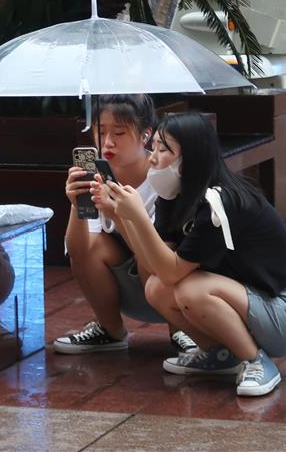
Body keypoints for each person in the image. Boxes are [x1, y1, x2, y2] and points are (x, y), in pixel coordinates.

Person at [93, 112, 286, 397]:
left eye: (164, 150)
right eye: (154, 147)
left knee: (190, 289)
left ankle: (257, 362)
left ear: (191, 160)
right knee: (157, 288)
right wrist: (122, 217)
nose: (152, 157)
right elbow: (156, 268)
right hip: (249, 301)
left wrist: (137, 216)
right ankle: (221, 356)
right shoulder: (172, 198)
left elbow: (173, 270)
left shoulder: (219, 201)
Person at [54, 95, 198, 355]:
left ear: (146, 135)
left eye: (119, 133)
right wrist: (77, 205)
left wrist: (120, 214)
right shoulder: (98, 177)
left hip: (173, 288)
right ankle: (110, 331)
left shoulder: (164, 177)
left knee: (153, 250)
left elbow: (157, 259)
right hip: (122, 290)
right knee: (93, 245)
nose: (107, 142)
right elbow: (78, 251)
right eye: (100, 131)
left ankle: (181, 332)